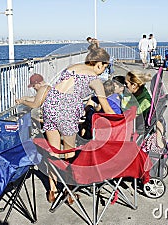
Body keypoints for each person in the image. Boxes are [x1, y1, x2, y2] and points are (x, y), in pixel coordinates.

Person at [41, 47, 115, 203]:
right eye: (105, 67)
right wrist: (122, 118)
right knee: (69, 152)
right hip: (66, 111)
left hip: (50, 105)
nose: (103, 71)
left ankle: (52, 190)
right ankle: (69, 192)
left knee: (53, 151)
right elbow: (107, 108)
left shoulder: (72, 68)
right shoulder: (95, 79)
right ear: (99, 64)